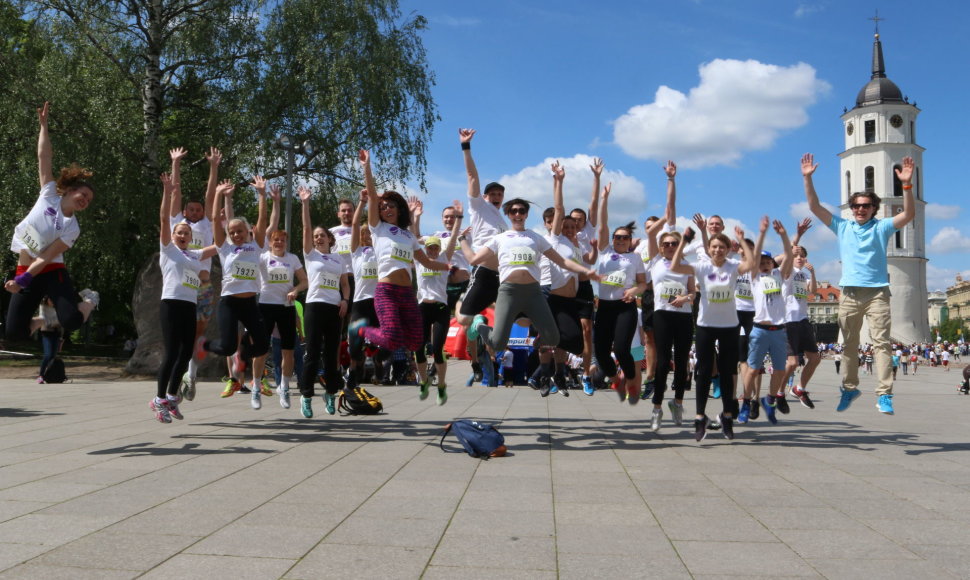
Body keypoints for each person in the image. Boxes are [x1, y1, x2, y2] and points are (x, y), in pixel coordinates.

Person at [802, 153, 915, 415]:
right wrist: (807, 178)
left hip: (877, 293)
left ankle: (885, 395)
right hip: (850, 293)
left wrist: (906, 186)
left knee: (881, 343)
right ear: (851, 209)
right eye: (856, 206)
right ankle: (850, 387)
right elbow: (814, 206)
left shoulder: (882, 227)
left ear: (874, 208)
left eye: (865, 206)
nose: (860, 209)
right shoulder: (843, 227)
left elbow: (908, 213)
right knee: (849, 345)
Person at [467, 197, 599, 385]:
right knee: (497, 343)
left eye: (522, 211)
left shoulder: (536, 238)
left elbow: (562, 261)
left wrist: (586, 271)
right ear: (508, 215)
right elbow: (473, 260)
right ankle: (479, 325)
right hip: (509, 291)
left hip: (533, 291)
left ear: (527, 214)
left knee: (553, 337)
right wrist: (463, 240)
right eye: (514, 211)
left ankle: (546, 366)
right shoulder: (500, 238)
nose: (518, 214)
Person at [349, 150, 450, 392]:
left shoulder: (407, 235)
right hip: (386, 291)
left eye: (391, 206)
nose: (386, 209)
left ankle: (376, 338)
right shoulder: (378, 229)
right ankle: (363, 330)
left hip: (407, 293)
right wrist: (367, 167)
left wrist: (447, 266)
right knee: (393, 337)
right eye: (383, 207)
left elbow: (425, 261)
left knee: (416, 341)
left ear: (399, 209)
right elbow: (372, 197)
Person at [5, 102, 99, 342]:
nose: (85, 201)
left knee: (72, 321)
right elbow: (44, 156)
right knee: (15, 333)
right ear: (69, 190)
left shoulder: (72, 228)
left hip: (50, 269)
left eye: (88, 201)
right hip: (27, 264)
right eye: (83, 196)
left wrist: (23, 280)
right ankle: (42, 320)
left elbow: (47, 255)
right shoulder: (48, 194)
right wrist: (44, 126)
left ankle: (89, 302)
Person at [668, 223, 754, 440]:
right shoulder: (702, 267)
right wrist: (685, 241)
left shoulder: (733, 266)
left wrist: (742, 239)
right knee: (703, 372)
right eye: (714, 247)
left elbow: (751, 263)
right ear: (709, 249)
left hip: (729, 326)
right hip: (706, 324)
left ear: (727, 249)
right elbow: (675, 265)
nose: (717, 250)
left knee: (727, 372)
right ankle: (699, 417)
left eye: (721, 247)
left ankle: (726, 416)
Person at [153, 170, 218, 423]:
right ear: (173, 235)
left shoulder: (195, 255)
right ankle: (158, 400)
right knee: (171, 354)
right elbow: (163, 217)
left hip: (189, 306)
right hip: (170, 304)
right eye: (178, 232)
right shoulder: (168, 249)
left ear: (191, 238)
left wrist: (241, 232)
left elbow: (221, 245)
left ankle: (171, 396)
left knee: (185, 354)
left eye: (186, 234)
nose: (182, 235)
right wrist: (168, 192)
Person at [203, 178, 270, 397]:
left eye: (239, 231)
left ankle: (243, 351)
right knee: (227, 348)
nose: (235, 235)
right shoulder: (224, 248)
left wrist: (262, 193)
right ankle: (204, 345)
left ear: (247, 231)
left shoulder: (255, 246)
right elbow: (214, 218)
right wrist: (221, 194)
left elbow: (263, 218)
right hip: (229, 303)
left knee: (262, 347)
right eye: (232, 232)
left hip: (250, 303)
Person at [454, 129, 509, 385]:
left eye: (500, 194)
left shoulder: (504, 221)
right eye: (493, 194)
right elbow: (472, 176)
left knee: (515, 318)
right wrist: (466, 147)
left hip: (504, 276)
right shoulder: (479, 206)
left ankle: (489, 345)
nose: (497, 197)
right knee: (464, 319)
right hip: (485, 272)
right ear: (485, 196)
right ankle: (477, 328)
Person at [251, 181, 308, 410]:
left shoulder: (292, 258)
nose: (279, 242)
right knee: (261, 350)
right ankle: (255, 387)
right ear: (270, 242)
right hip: (265, 305)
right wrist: (272, 200)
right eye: (275, 240)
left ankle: (284, 387)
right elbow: (268, 223)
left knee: (288, 350)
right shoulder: (263, 256)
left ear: (286, 242)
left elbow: (305, 280)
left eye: (282, 240)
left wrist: (296, 290)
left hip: (286, 307)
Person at [170, 146, 220, 400]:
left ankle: (191, 374)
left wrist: (213, 166)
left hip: (202, 286)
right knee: (177, 335)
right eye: (191, 210)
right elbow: (175, 193)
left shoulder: (206, 225)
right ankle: (175, 378)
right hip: (179, 288)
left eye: (199, 210)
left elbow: (211, 196)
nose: (195, 213)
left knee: (198, 333)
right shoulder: (178, 227)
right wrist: (175, 164)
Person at [591, 182, 648, 404]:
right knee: (603, 351)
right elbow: (603, 224)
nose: (620, 240)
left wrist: (635, 290)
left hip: (625, 307)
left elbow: (643, 284)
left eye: (624, 237)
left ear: (630, 241)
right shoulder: (605, 252)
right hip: (605, 306)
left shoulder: (635, 258)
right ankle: (616, 380)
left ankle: (630, 378)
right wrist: (605, 198)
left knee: (622, 349)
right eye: (618, 237)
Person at [298, 186, 350, 418]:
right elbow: (307, 228)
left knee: (332, 354)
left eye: (322, 235)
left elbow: (345, 284)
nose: (318, 237)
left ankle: (330, 393)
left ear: (330, 239)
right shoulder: (311, 255)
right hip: (315, 306)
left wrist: (346, 300)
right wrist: (305, 204)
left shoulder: (338, 259)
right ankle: (306, 395)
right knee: (312, 352)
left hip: (334, 309)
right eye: (316, 236)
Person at [738, 217, 793, 426]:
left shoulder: (780, 276)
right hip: (759, 328)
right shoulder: (755, 278)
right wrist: (761, 233)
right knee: (752, 370)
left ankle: (770, 398)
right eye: (760, 262)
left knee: (780, 370)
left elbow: (788, 255)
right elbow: (754, 257)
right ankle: (746, 402)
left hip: (778, 330)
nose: (763, 265)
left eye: (767, 262)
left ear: (773, 264)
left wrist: (783, 235)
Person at [413, 200, 463, 405]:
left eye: (435, 247)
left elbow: (452, 238)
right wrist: (415, 216)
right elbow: (414, 237)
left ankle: (441, 385)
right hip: (423, 306)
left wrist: (458, 218)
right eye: (430, 247)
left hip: (441, 306)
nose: (432, 250)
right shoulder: (419, 258)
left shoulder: (444, 257)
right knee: (418, 347)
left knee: (438, 348)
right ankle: (424, 380)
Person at [346, 190, 378, 392]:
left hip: (378, 301)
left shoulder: (380, 251)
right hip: (360, 301)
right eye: (363, 234)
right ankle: (353, 374)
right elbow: (356, 224)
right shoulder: (356, 252)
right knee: (353, 345)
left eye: (369, 233)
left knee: (380, 340)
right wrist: (362, 203)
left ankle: (372, 360)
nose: (365, 236)